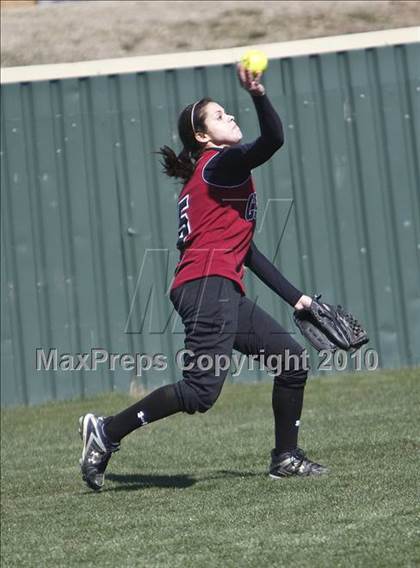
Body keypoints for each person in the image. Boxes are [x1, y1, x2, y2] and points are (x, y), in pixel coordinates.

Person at [79, 63, 327, 491]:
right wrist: (258, 94)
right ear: (202, 136)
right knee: (199, 392)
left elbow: (245, 251)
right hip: (207, 285)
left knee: (291, 361)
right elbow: (273, 140)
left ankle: (285, 457)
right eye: (218, 115)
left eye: (228, 111)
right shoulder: (218, 164)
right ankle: (107, 431)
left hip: (217, 286)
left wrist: (297, 299)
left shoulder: (213, 177)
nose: (229, 117)